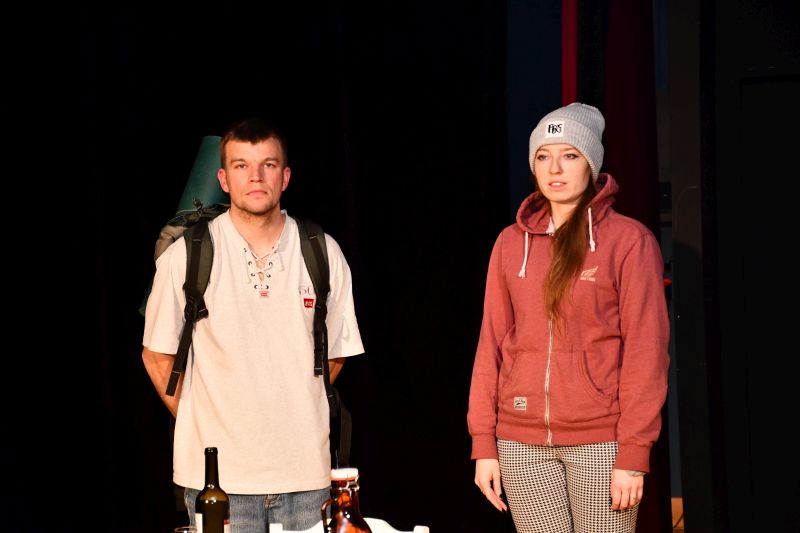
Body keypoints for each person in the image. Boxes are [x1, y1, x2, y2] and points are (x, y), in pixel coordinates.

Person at [142, 117, 365, 532]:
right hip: (217, 481)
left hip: (305, 477)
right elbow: (156, 356)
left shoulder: (322, 251)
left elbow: (335, 355)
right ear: (223, 179)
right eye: (242, 165)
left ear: (285, 176)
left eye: (268, 164)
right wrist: (202, 417)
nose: (256, 176)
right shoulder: (186, 255)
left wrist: (290, 406)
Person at [467, 103, 669, 533]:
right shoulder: (510, 244)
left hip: (601, 441)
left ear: (591, 164)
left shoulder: (629, 242)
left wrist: (634, 452)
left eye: (570, 155)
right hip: (520, 443)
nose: (554, 168)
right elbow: (491, 345)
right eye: (543, 156)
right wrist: (483, 442)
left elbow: (646, 352)